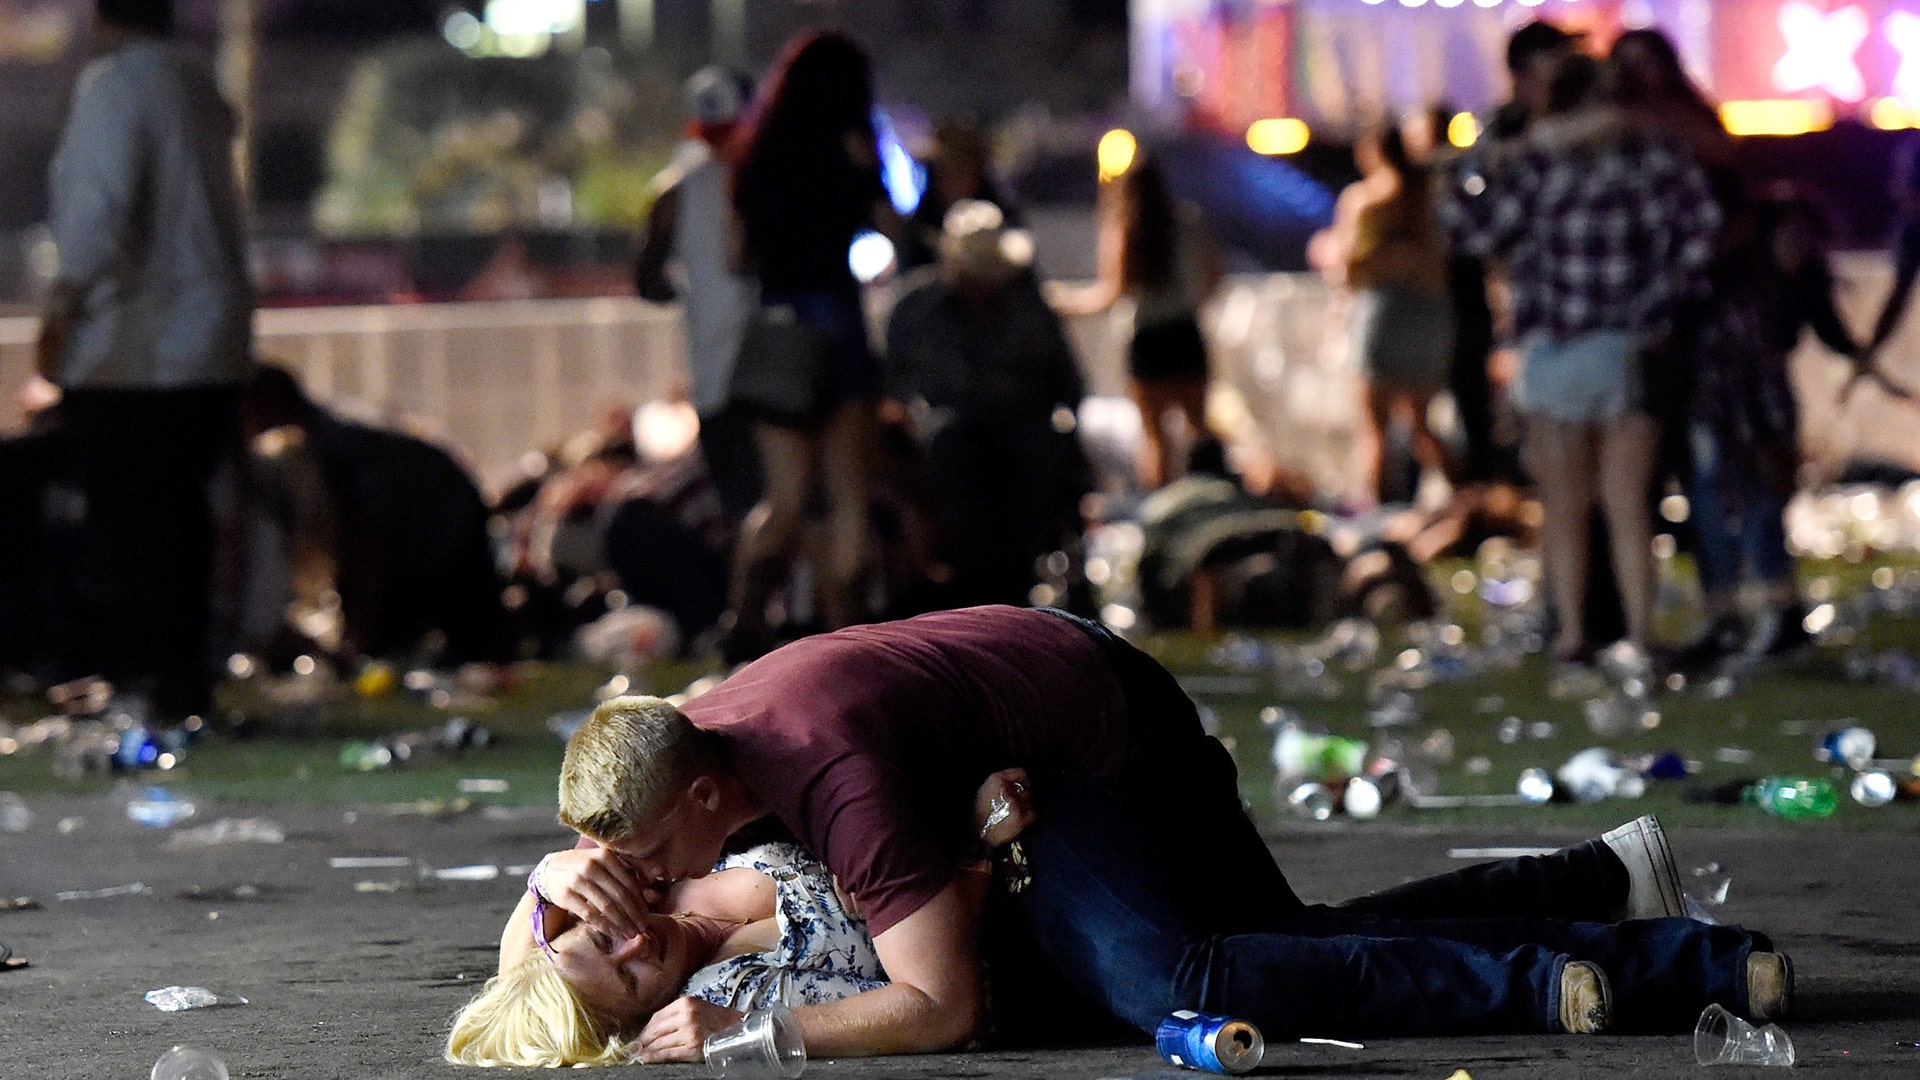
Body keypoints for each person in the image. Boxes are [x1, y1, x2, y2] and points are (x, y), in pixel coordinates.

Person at [542, 606, 1791, 1059]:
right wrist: (565, 873)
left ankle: (1577, 977)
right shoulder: (682, 761)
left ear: (706, 798)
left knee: (1179, 978)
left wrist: (753, 1041)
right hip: (1040, 722)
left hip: (1099, 743)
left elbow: (942, 1006)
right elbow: (549, 946)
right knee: (1275, 943)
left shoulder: (827, 780)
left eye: (642, 859)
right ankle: (1604, 884)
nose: (636, 895)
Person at [448, 771, 1035, 1067]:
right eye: (630, 980)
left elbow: (518, 972)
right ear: (642, 1022)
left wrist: (545, 879)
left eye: (604, 937)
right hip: (1012, 878)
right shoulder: (736, 995)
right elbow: (950, 1002)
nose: (637, 946)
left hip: (930, 781)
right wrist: (977, 839)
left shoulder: (649, 870)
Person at [1443, 52, 1721, 665]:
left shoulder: (1541, 162)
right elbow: (1701, 230)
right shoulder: (1653, 156)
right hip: (1626, 348)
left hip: (1552, 350)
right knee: (1629, 503)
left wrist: (1484, 155)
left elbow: (1473, 231)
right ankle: (1641, 636)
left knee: (1564, 506)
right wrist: (1657, 306)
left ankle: (1572, 635)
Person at [36, 0, 253, 725]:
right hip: (210, 344)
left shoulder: (114, 87)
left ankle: (142, 685)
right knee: (181, 523)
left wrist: (62, 311)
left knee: (129, 529)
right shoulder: (196, 85)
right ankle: (183, 685)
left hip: (136, 350)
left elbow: (98, 219)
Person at [724, 30, 896, 660]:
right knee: (849, 493)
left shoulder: (759, 154)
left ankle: (744, 621)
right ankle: (849, 641)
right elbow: (895, 231)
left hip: (778, 326)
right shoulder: (851, 147)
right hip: (839, 320)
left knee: (786, 498)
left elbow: (735, 256)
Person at [1676, 194, 1865, 668]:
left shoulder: (1795, 284)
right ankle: (1732, 614)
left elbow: (1827, 333)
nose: (1797, 246)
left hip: (1762, 406)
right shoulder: (1741, 286)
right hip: (1719, 411)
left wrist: (1873, 366)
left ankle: (1774, 612)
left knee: (1760, 505)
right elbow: (1732, 367)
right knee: (1720, 507)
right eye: (1789, 235)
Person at [883, 200, 1088, 608]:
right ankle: (957, 574)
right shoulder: (914, 310)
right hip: (945, 439)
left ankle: (1017, 574)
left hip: (1021, 429)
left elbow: (1068, 382)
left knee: (1036, 456)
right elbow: (893, 388)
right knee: (951, 448)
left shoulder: (1028, 307)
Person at [239, 363, 512, 665]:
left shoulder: (329, 449)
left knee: (463, 642)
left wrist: (356, 635)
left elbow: (365, 544)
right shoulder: (331, 434)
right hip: (440, 524)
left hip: (438, 535)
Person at [634, 66, 762, 526]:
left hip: (716, 382)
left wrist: (696, 294)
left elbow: (649, 282)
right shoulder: (770, 177)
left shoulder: (673, 190)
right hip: (775, 382)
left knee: (743, 514)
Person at [1054, 151, 1219, 490]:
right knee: (1199, 431)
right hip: (1185, 333)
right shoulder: (1188, 222)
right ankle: (1209, 497)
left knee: (1155, 439)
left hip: (1148, 339)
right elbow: (1213, 278)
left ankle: (1164, 510)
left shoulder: (1127, 229)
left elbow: (1110, 294)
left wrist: (1064, 303)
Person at [1312, 119, 1456, 506]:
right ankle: (1467, 496)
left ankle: (1379, 520)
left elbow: (1348, 269)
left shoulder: (1366, 201)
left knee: (1374, 431)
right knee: (1423, 426)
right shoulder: (1430, 197)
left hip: (1383, 315)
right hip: (1430, 314)